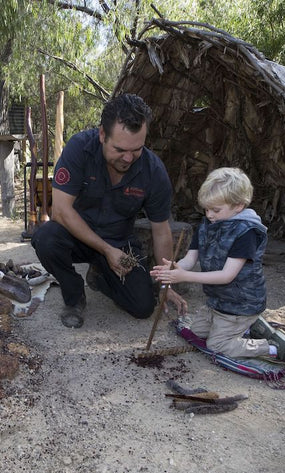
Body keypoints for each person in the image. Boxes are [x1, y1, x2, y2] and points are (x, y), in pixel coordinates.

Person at [31, 93, 184, 328]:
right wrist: (105, 249)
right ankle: (74, 295)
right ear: (103, 134)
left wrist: (166, 285)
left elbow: (161, 230)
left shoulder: (154, 171)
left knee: (143, 307)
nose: (128, 158)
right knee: (45, 237)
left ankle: (100, 277)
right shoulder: (80, 148)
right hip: (76, 236)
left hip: (120, 241)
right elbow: (61, 211)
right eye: (120, 149)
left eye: (137, 150)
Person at [150, 167, 285, 372]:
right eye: (206, 209)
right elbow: (190, 259)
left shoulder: (246, 232)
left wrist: (184, 276)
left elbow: (227, 275)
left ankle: (273, 347)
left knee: (216, 345)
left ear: (239, 205)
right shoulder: (207, 225)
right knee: (197, 331)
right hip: (218, 301)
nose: (209, 215)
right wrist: (173, 268)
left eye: (216, 210)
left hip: (242, 301)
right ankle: (251, 326)